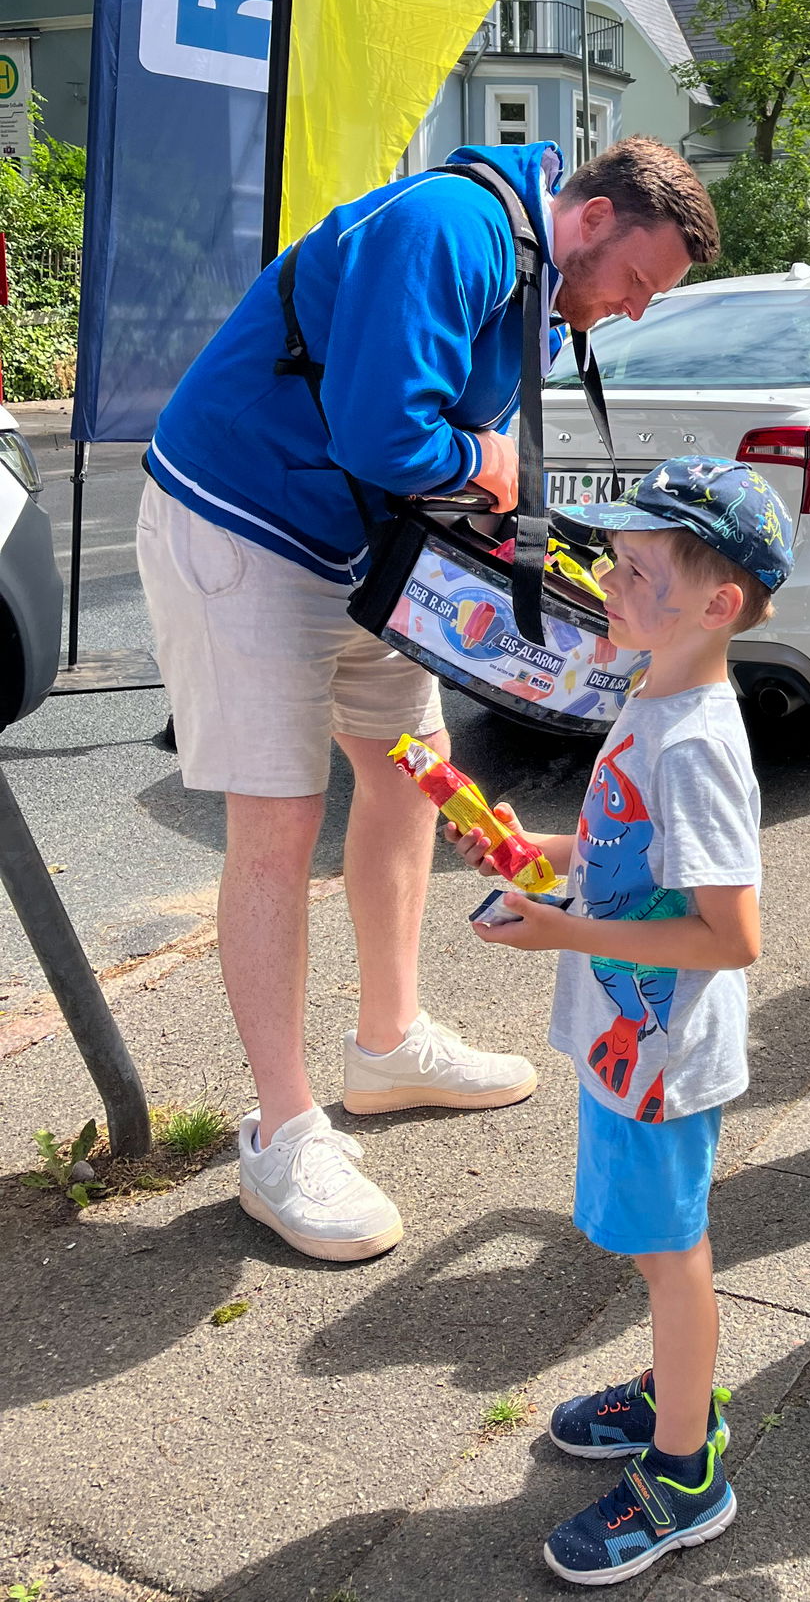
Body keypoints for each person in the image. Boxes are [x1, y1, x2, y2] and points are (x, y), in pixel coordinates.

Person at [137, 135, 719, 1261]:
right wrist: (496, 470)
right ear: (589, 220)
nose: (635, 312)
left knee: (410, 778)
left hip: (362, 549)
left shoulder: (536, 275)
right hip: (244, 523)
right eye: (637, 284)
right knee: (278, 821)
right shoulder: (451, 228)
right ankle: (282, 1128)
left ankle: (388, 1044)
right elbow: (385, 433)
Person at [450, 456, 792, 1585]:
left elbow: (729, 934)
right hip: (626, 1041)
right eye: (614, 558)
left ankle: (688, 1472)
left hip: (660, 1050)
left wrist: (563, 935)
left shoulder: (693, 740)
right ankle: (670, 1390)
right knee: (654, 1244)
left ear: (716, 604)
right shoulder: (653, 698)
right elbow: (619, 861)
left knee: (668, 1253)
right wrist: (531, 854)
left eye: (638, 568)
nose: (609, 579)